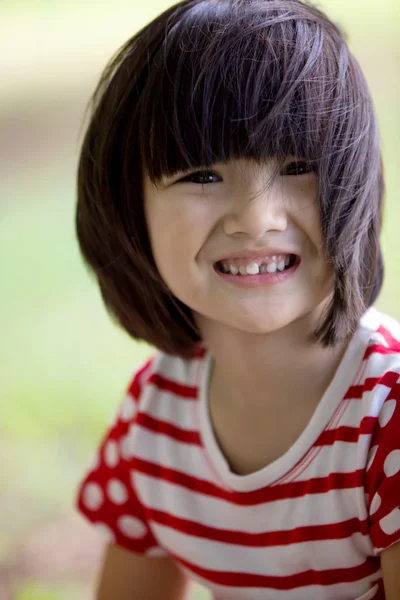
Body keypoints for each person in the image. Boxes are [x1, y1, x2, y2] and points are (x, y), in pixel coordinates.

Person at [74, 0, 400, 598]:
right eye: (201, 175)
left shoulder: (388, 416)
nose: (256, 219)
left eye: (299, 165)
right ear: (128, 207)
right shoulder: (154, 416)